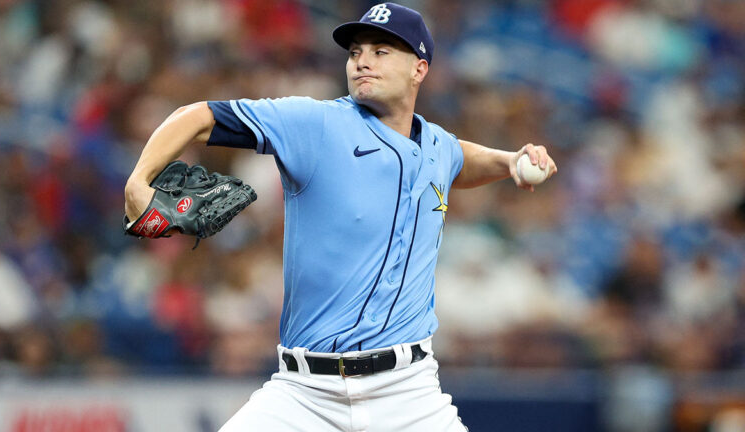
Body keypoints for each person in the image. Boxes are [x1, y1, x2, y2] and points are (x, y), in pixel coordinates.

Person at [124, 3, 557, 431]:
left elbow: (459, 158)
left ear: (419, 69)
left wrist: (509, 162)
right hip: (304, 394)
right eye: (355, 52)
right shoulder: (316, 124)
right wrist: (139, 181)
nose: (362, 61)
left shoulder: (437, 145)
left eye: (381, 51)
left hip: (409, 394)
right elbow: (196, 117)